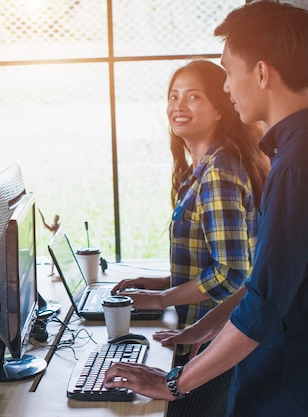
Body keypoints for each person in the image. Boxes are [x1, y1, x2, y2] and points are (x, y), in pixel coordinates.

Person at [105, 2, 308, 416]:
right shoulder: (291, 154)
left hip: (283, 386)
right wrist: (205, 326)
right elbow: (266, 280)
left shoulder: (295, 165)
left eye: (229, 73)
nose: (228, 87)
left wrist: (176, 383)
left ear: (263, 73)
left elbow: (265, 304)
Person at [111, 59, 269, 416]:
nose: (178, 106)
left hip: (215, 344)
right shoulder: (200, 169)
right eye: (173, 96)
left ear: (219, 109)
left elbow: (231, 272)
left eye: (193, 97)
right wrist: (157, 283)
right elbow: (216, 257)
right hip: (202, 334)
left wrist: (162, 299)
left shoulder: (219, 174)